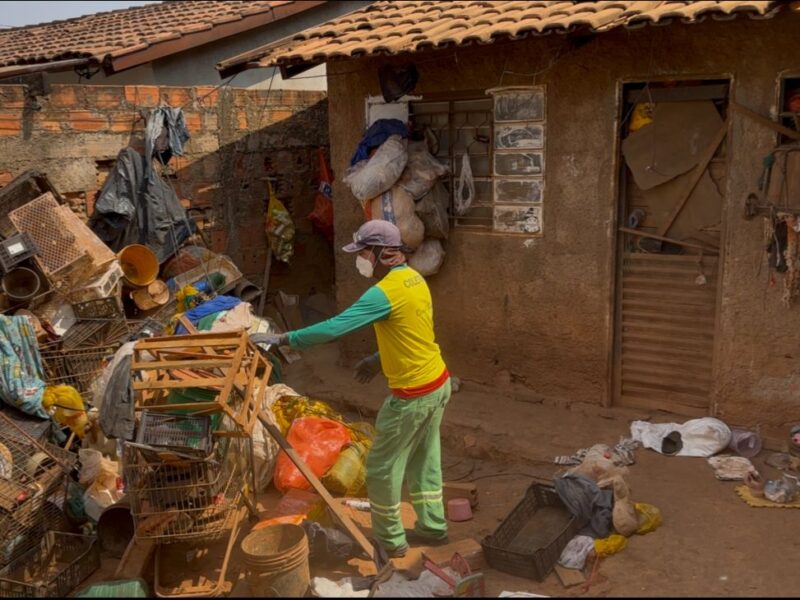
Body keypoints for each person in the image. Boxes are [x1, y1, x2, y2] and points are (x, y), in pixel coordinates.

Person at [266, 220, 451, 557]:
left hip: (411, 396)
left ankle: (390, 542)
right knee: (425, 459)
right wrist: (379, 359)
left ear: (381, 253)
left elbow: (337, 327)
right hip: (438, 384)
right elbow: (415, 333)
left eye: (363, 252)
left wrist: (284, 338)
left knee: (380, 468)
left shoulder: (383, 292)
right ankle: (434, 527)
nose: (360, 258)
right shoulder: (415, 280)